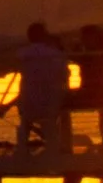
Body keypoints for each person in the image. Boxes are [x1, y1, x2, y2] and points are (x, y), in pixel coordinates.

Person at [15, 20, 70, 162]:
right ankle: (53, 147)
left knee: (25, 121)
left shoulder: (22, 53)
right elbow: (64, 74)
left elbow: (19, 67)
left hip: (29, 99)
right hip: (50, 99)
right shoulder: (55, 54)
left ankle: (22, 149)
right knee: (51, 120)